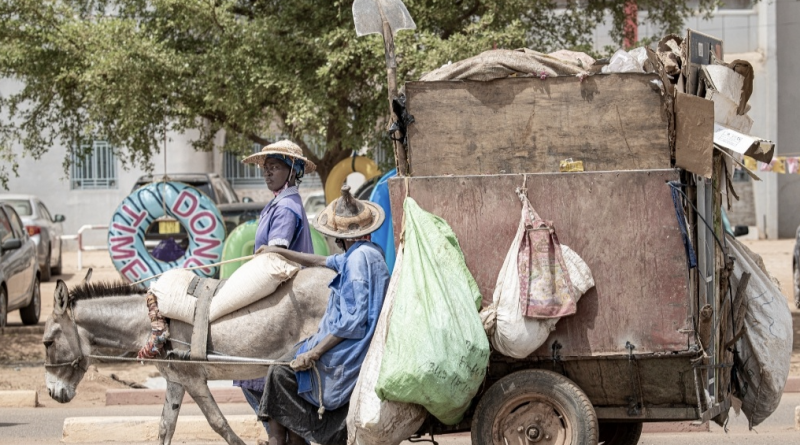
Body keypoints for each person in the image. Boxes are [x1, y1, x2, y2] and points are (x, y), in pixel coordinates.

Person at [255, 185, 390, 445]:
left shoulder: (357, 261)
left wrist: (313, 353)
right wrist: (279, 251)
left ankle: (278, 440)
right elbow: (318, 261)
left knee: (279, 372)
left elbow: (352, 321)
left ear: (341, 236)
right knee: (282, 367)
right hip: (348, 342)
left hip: (349, 351)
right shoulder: (367, 253)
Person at [234, 140, 316, 434]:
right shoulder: (280, 202)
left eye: (275, 167)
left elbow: (275, 258)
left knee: (254, 374)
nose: (268, 173)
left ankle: (280, 435)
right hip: (282, 300)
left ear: (293, 170)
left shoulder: (285, 209)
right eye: (266, 168)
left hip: (283, 303)